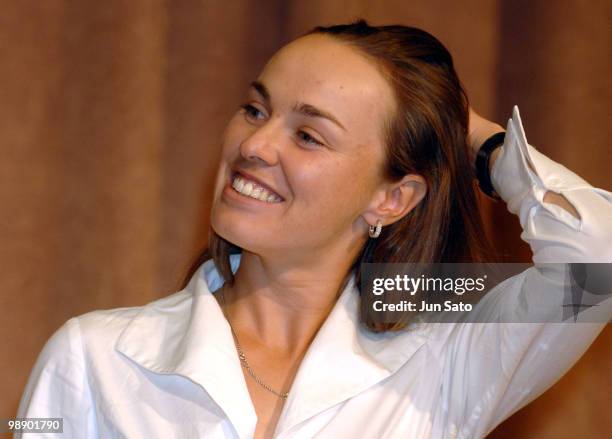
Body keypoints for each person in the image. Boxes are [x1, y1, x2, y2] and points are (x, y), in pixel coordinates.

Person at [16, 20, 611, 439]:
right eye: (255, 110)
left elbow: (597, 259)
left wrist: (473, 135)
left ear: (392, 198)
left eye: (308, 135)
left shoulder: (441, 353)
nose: (254, 145)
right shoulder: (94, 356)